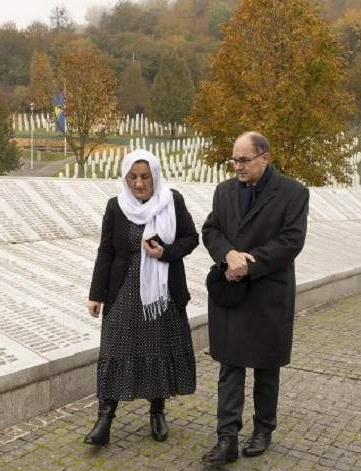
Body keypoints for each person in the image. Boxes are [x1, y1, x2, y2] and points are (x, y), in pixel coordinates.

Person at [200, 131, 309, 466]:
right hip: (231, 291)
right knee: (230, 366)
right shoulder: (224, 191)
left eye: (244, 160)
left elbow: (292, 240)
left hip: (267, 292)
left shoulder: (293, 193)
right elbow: (211, 230)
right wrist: (227, 254)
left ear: (265, 157)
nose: (237, 166)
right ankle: (227, 439)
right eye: (234, 159)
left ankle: (263, 429)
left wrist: (248, 262)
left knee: (266, 366)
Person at [85, 149, 199, 446]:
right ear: (125, 177)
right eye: (133, 177)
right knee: (115, 348)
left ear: (155, 176)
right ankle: (104, 419)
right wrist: (96, 294)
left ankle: (157, 411)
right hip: (123, 289)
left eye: (145, 177)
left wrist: (166, 252)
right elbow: (105, 251)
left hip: (162, 292)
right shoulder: (116, 206)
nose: (139, 184)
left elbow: (191, 238)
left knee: (158, 346)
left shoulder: (171, 201)